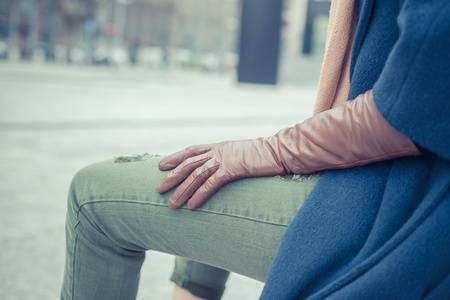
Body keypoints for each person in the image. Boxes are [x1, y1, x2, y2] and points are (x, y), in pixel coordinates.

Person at [61, 0, 450, 299]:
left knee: (91, 196)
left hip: (402, 212)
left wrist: (272, 151)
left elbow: (418, 99)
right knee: (202, 180)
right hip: (381, 184)